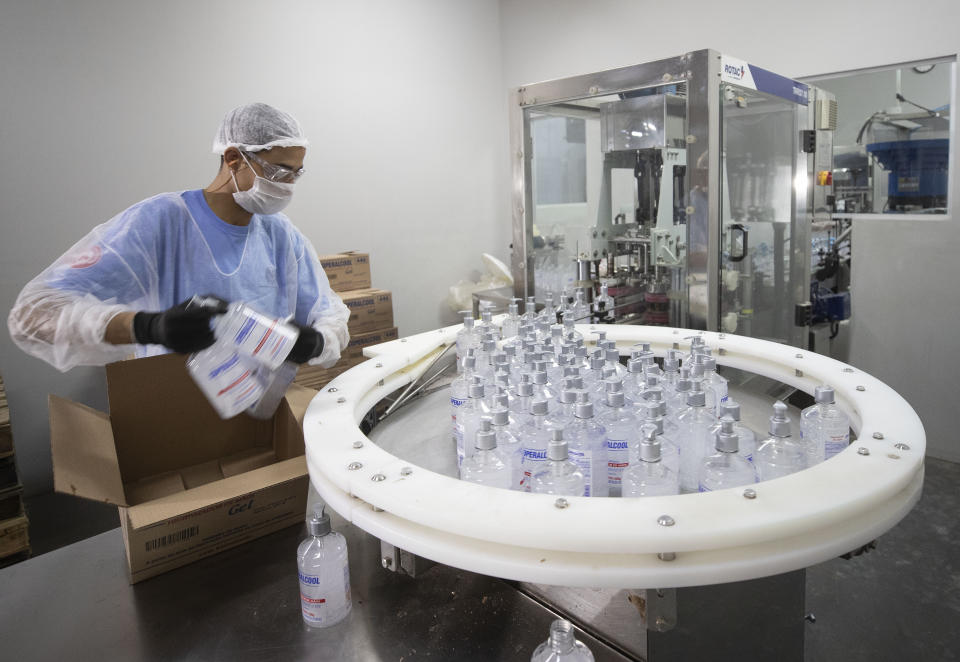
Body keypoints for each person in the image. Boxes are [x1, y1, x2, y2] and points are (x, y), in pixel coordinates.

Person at [8, 102, 350, 380]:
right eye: (279, 171)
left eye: (296, 172)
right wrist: (147, 326)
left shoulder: (280, 234)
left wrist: (316, 342)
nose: (289, 184)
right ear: (234, 159)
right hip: (174, 411)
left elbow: (328, 312)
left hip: (263, 410)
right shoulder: (160, 222)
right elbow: (32, 314)